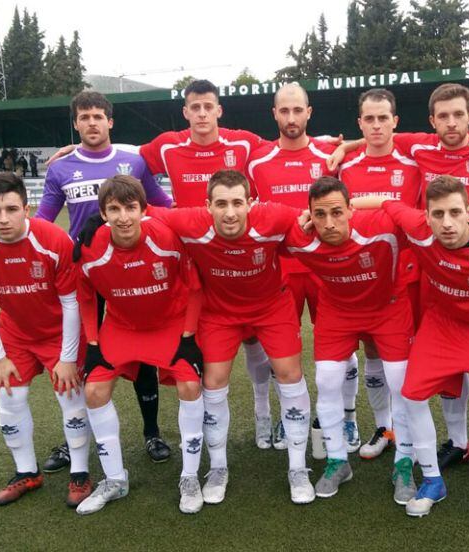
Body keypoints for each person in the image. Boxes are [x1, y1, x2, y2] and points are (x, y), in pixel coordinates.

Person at [351, 175, 469, 532]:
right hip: (443, 327)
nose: (447, 223)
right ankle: (433, 482)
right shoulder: (418, 228)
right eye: (438, 214)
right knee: (411, 394)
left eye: (456, 212)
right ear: (427, 215)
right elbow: (382, 201)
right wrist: (323, 212)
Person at [148, 170, 314, 505]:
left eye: (238, 202)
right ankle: (219, 467)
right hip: (219, 313)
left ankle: (298, 468)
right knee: (214, 380)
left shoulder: (274, 217)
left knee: (290, 374)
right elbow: (143, 210)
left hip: (271, 307)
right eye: (221, 203)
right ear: (207, 205)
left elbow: (313, 217)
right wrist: (98, 221)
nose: (230, 212)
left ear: (251, 203)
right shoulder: (191, 222)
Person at [36, 90, 175, 470]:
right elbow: (43, 222)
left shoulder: (133, 162)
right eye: (85, 117)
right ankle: (75, 438)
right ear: (76, 123)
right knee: (84, 361)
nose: (92, 123)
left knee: (143, 357)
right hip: (86, 280)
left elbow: (164, 207)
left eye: (98, 116)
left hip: (133, 277)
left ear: (110, 121)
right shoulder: (60, 168)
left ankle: (152, 433)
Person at [0, 173, 92, 508]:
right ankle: (26, 472)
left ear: (26, 208)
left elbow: (71, 303)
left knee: (71, 398)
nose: (3, 218)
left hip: (61, 333)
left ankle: (80, 473)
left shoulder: (53, 239)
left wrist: (67, 356)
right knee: (9, 400)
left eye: (11, 209)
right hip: (16, 333)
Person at [75, 175, 205, 515]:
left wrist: (189, 337)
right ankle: (115, 479)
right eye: (114, 209)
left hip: (169, 323)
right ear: (102, 213)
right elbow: (87, 297)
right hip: (122, 327)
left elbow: (194, 287)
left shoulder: (166, 238)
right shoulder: (90, 247)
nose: (123, 217)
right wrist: (91, 342)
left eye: (130, 208)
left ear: (143, 210)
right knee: (94, 391)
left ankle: (189, 476)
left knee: (191, 385)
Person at [283, 176, 417, 504]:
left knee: (401, 383)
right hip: (338, 310)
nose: (329, 223)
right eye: (319, 215)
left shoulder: (383, 228)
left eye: (337, 213)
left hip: (388, 308)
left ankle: (404, 462)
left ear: (350, 210)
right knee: (327, 380)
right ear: (308, 216)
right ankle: (338, 461)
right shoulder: (299, 238)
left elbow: (430, 220)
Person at [246, 83, 337, 452]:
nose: (291, 118)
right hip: (277, 270)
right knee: (279, 350)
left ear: (309, 112)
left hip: (324, 268)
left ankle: (341, 419)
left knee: (335, 347)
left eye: (297, 110)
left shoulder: (331, 155)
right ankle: (285, 417)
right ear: (274, 114)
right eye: (284, 111)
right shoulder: (257, 161)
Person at [334, 88, 422, 461]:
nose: (375, 125)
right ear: (360, 123)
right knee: (372, 352)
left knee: (406, 358)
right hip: (362, 279)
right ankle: (385, 426)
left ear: (394, 122)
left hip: (405, 278)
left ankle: (413, 431)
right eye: (368, 119)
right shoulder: (346, 170)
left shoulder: (414, 166)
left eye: (382, 118)